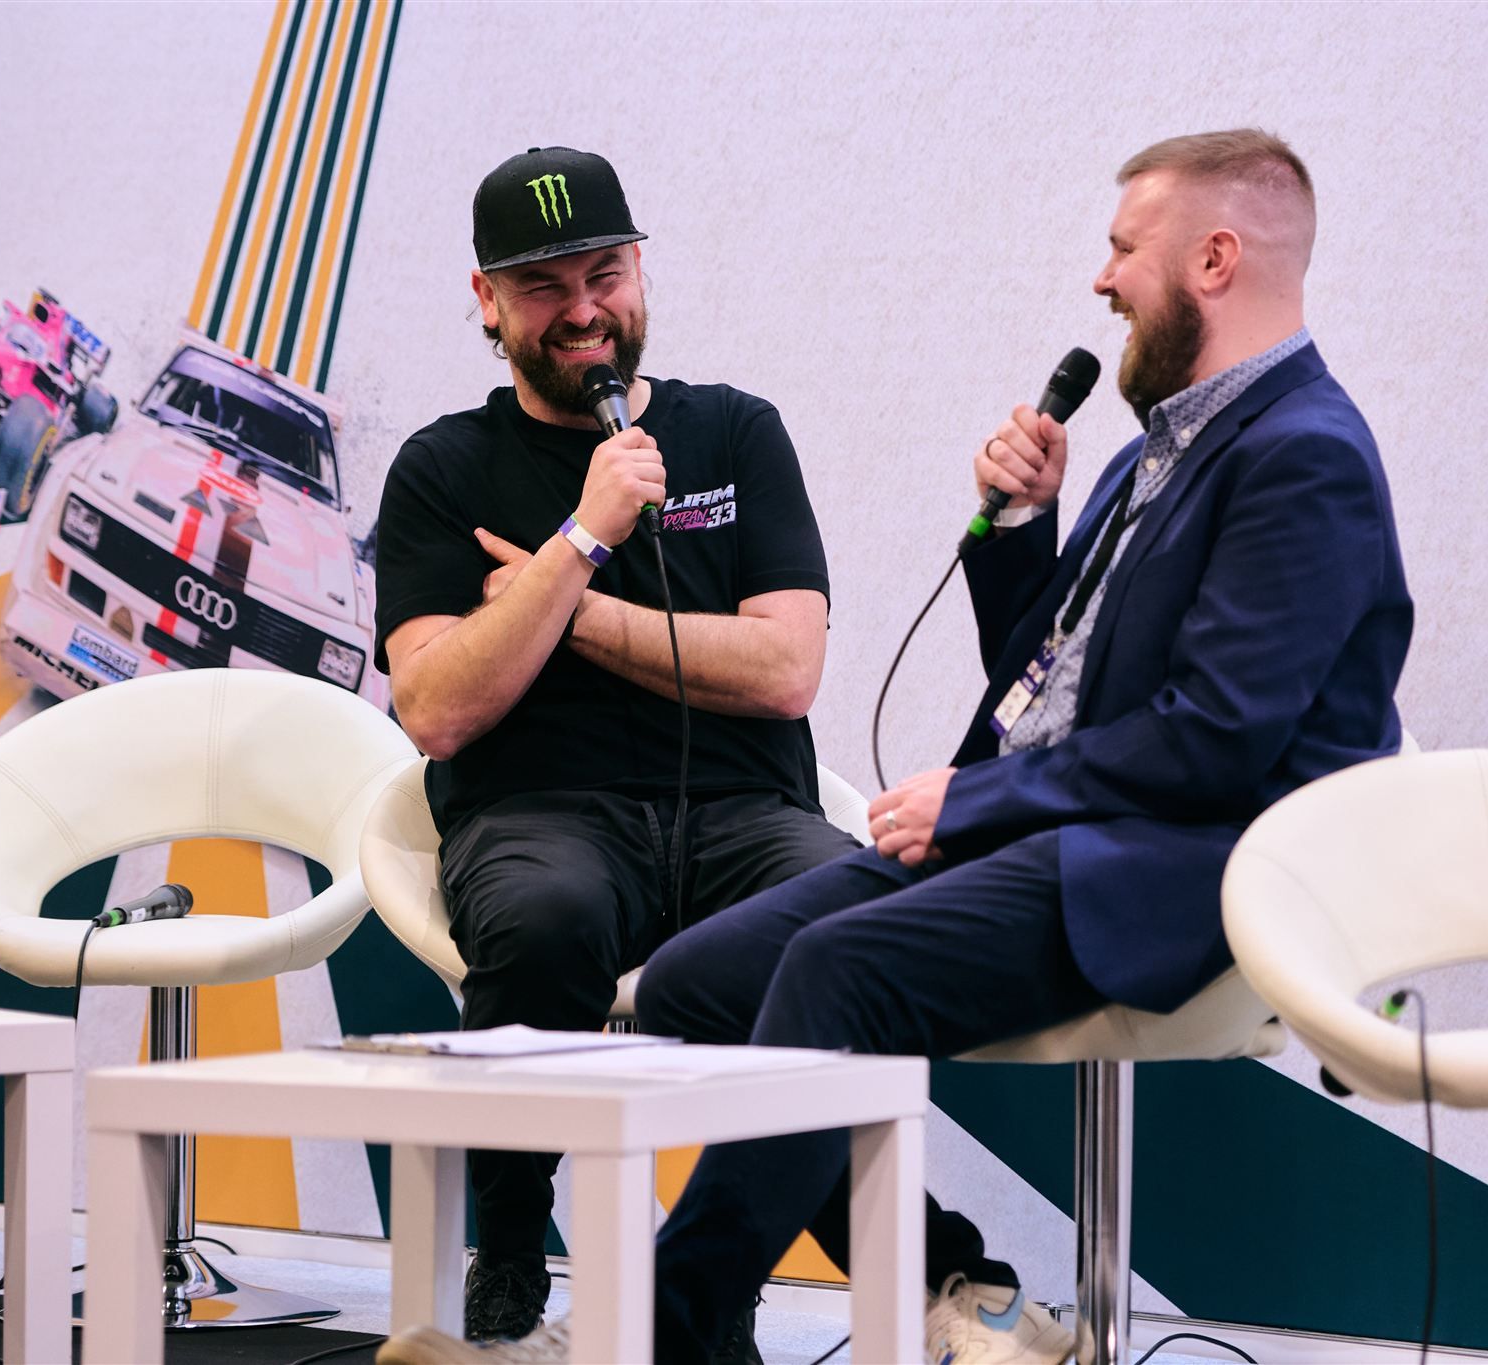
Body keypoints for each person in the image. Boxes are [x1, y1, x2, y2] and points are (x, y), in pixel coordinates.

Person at [386, 126, 1412, 1365]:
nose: (1100, 280)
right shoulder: (1166, 445)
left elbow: (1216, 742)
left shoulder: (1300, 457)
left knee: (831, 971)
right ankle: (684, 1317)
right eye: (545, 283)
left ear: (1211, 259)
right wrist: (1021, 531)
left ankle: (641, 1335)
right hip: (1059, 823)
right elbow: (1052, 686)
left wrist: (973, 806)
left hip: (1167, 862)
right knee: (695, 985)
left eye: (1120, 250)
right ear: (488, 303)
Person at [372, 146, 855, 1352]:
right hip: (540, 814)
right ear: (487, 301)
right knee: (545, 920)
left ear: (640, 269)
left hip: (745, 815)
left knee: (838, 923)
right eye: (544, 288)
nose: (583, 310)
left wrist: (558, 608)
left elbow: (787, 668)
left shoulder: (736, 434)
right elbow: (433, 707)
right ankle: (514, 1232)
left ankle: (713, 1284)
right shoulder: (440, 469)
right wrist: (583, 535)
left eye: (604, 273)